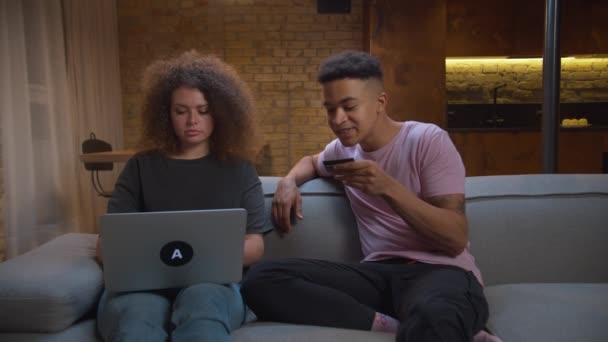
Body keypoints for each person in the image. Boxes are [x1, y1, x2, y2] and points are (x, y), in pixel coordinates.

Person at [241, 51, 498, 342]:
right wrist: (288, 181)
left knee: (434, 315)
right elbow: (312, 162)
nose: (338, 119)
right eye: (330, 109)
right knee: (261, 279)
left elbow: (454, 240)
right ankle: (390, 324)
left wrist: (389, 188)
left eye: (349, 106)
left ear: (380, 103)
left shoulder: (427, 140)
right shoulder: (343, 151)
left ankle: (437, 323)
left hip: (440, 272)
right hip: (377, 274)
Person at [95, 50, 272, 342]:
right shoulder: (140, 166)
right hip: (140, 287)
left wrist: (200, 260)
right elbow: (106, 245)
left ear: (221, 112)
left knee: (202, 307)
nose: (192, 120)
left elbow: (255, 245)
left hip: (213, 286)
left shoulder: (240, 169)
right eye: (181, 111)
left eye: (203, 110)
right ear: (165, 114)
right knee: (138, 316)